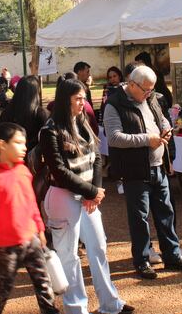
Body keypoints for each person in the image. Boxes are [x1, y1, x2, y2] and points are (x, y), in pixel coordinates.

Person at [39, 78, 133, 314]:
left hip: (87, 198)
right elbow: (59, 171)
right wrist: (92, 191)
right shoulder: (50, 130)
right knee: (69, 256)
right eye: (77, 98)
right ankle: (76, 308)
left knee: (98, 247)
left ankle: (110, 304)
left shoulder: (81, 121)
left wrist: (95, 192)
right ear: (65, 100)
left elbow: (97, 155)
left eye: (83, 97)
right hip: (63, 197)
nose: (83, 103)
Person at [103, 65, 182, 279]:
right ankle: (142, 259)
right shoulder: (114, 103)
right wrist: (148, 140)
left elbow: (162, 118)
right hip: (134, 170)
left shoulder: (152, 98)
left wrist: (165, 129)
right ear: (131, 84)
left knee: (166, 213)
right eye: (145, 90)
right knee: (140, 218)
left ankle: (172, 255)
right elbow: (114, 137)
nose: (148, 94)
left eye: (151, 90)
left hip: (158, 166)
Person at [0, 122, 58, 314]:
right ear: (2, 145)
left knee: (44, 284)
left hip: (31, 241)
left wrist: (39, 227)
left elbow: (31, 202)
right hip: (6, 248)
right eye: (19, 143)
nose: (25, 147)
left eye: (24, 143)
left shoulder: (23, 171)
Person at [0, 76, 49, 151]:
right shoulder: (41, 114)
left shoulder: (6, 113)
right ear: (36, 92)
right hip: (34, 158)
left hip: (11, 155)